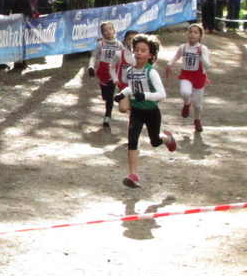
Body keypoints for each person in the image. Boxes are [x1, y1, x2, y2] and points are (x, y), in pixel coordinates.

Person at [113, 34, 177, 188]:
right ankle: (133, 175)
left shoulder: (151, 72)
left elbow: (162, 95)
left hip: (151, 112)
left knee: (154, 142)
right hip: (136, 112)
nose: (139, 53)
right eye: (136, 50)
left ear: (151, 55)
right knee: (132, 141)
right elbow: (131, 86)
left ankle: (166, 139)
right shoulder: (130, 71)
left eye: (143, 50)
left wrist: (145, 96)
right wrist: (123, 94)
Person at [165, 23, 210, 132]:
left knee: (198, 105)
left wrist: (201, 56)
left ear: (200, 36)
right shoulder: (183, 47)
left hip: (199, 76)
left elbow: (207, 65)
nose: (192, 35)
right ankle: (186, 103)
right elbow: (176, 56)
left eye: (195, 33)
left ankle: (197, 120)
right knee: (185, 92)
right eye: (190, 32)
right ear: (187, 34)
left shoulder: (203, 49)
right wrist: (170, 64)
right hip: (186, 75)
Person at [88, 22, 125, 127]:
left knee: (110, 95)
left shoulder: (119, 44)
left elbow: (124, 58)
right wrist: (90, 67)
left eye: (110, 29)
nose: (108, 31)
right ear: (102, 33)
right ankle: (107, 101)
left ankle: (107, 116)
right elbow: (94, 56)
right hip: (103, 72)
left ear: (114, 30)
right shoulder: (100, 44)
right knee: (105, 96)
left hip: (113, 73)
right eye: (105, 30)